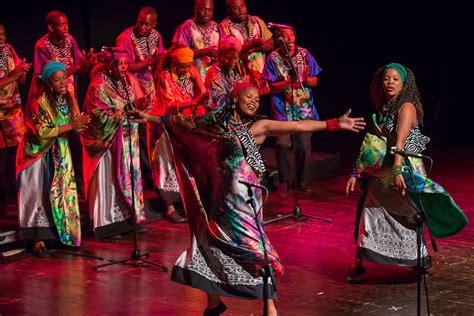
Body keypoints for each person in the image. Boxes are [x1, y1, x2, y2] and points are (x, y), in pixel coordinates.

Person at [132, 82, 365, 315]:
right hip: (217, 199)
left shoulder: (259, 126)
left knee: (255, 249)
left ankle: (269, 306)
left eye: (256, 97)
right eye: (248, 96)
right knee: (208, 243)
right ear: (235, 99)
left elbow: (296, 125)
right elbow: (183, 123)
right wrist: (149, 117)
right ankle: (213, 303)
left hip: (243, 201)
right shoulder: (215, 123)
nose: (254, 101)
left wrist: (334, 124)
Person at [345, 63, 467, 282]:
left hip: (404, 166)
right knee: (369, 209)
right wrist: (356, 173)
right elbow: (371, 145)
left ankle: (418, 260)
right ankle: (359, 261)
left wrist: (398, 171)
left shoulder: (406, 106)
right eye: (386, 79)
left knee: (411, 214)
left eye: (395, 79)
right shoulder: (381, 111)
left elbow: (400, 143)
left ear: (404, 84)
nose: (390, 83)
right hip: (385, 169)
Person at [16, 61, 90, 257]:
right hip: (39, 154)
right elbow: (41, 131)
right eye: (57, 80)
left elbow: (76, 123)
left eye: (64, 78)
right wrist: (71, 126)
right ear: (48, 82)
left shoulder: (68, 97)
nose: (63, 82)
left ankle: (64, 235)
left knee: (63, 195)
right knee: (38, 195)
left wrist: (84, 124)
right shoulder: (38, 100)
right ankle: (38, 240)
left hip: (61, 152)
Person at [30, 10, 95, 199]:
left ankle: (81, 184)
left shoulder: (70, 40)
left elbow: (79, 70)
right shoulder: (41, 46)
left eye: (67, 24)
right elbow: (43, 77)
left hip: (69, 97)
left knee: (77, 141)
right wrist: (74, 68)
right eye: (61, 25)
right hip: (51, 101)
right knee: (58, 143)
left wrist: (86, 64)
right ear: (50, 27)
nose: (66, 28)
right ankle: (57, 189)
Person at [81, 53, 146, 240]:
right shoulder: (98, 85)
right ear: (110, 66)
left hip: (126, 138)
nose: (124, 67)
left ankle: (126, 220)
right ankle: (107, 224)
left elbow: (132, 104)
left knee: (127, 177)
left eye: (126, 63)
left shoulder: (126, 83)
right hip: (108, 140)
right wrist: (122, 112)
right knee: (108, 180)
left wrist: (138, 107)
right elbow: (97, 114)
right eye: (120, 64)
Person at [148, 46, 208, 223]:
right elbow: (170, 106)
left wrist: (200, 89)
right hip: (165, 125)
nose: (186, 69)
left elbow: (202, 91)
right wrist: (195, 101)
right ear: (174, 64)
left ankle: (189, 203)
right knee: (166, 165)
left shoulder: (191, 71)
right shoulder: (164, 77)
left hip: (185, 124)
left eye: (189, 66)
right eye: (183, 66)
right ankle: (169, 207)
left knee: (187, 164)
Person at [261, 26, 322, 196]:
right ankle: (284, 181)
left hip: (304, 108)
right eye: (285, 37)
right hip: (282, 109)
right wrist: (288, 82)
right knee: (283, 144)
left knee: (303, 146)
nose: (290, 39)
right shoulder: (273, 58)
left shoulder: (305, 54)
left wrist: (306, 80)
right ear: (278, 39)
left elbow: (315, 80)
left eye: (292, 36)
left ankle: (300, 181)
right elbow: (272, 87)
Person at [116, 7, 165, 189]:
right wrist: (152, 61)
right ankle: (137, 178)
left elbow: (159, 60)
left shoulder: (156, 36)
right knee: (136, 133)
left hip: (150, 90)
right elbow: (124, 68)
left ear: (154, 24)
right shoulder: (125, 38)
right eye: (140, 22)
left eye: (147, 24)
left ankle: (152, 176)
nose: (142, 26)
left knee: (151, 132)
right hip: (130, 91)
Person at [0, 23, 31, 206]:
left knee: (18, 151)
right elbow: (10, 77)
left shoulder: (9, 49)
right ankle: (3, 199)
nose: (1, 38)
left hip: (13, 110)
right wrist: (13, 75)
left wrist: (22, 73)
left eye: (3, 34)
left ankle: (17, 193)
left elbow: (20, 77)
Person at [219, 0, 274, 75]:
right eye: (235, 8)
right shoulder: (224, 27)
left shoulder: (256, 20)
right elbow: (226, 54)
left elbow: (271, 43)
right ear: (228, 10)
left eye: (242, 6)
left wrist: (258, 48)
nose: (241, 10)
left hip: (260, 73)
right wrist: (249, 46)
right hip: (238, 75)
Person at [172, 0, 220, 81]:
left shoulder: (217, 27)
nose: (207, 13)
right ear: (195, 9)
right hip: (192, 78)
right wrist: (205, 52)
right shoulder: (186, 27)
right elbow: (180, 54)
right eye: (203, 9)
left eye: (210, 10)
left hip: (215, 79)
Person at [205, 36, 254, 109]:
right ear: (220, 56)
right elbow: (217, 100)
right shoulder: (213, 73)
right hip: (220, 113)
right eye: (228, 58)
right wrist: (239, 97)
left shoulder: (240, 68)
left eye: (235, 58)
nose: (231, 62)